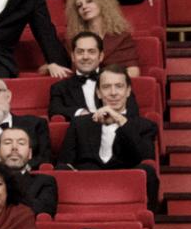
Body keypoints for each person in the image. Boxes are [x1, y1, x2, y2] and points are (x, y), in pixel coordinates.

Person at [57, 66, 158, 200]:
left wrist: (120, 119)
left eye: (119, 86)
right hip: (86, 188)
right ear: (98, 93)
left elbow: (145, 158)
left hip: (125, 188)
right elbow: (64, 164)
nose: (113, 92)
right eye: (106, 87)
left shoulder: (145, 126)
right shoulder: (79, 124)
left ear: (128, 91)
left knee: (148, 171)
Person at [48, 31, 141, 121]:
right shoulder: (60, 88)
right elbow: (55, 110)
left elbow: (132, 110)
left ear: (101, 56)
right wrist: (81, 113)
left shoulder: (117, 80)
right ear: (73, 56)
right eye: (80, 52)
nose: (85, 57)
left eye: (91, 52)